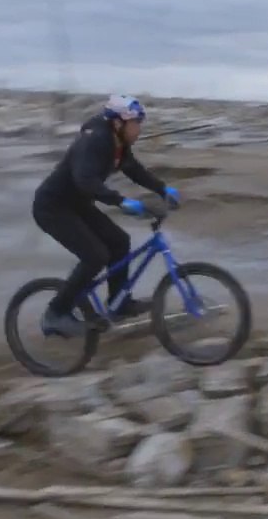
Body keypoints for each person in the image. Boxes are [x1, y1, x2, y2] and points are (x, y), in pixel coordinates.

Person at [31, 94, 180, 337]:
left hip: (76, 204)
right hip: (53, 207)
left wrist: (162, 188)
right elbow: (84, 180)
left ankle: (119, 303)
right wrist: (120, 201)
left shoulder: (118, 144)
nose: (139, 129)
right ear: (119, 123)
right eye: (136, 123)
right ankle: (55, 313)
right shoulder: (95, 141)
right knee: (95, 256)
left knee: (120, 241)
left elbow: (134, 170)